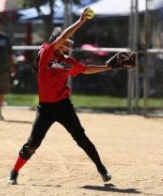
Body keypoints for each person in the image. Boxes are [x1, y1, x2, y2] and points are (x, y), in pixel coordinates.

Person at [8, 8, 112, 185]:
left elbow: (86, 69)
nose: (69, 46)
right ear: (57, 42)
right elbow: (62, 37)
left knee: (81, 138)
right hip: (46, 108)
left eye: (70, 44)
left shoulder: (68, 62)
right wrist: (80, 22)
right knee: (32, 145)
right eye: (67, 43)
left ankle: (101, 168)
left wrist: (107, 67)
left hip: (63, 106)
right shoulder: (46, 53)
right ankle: (14, 171)